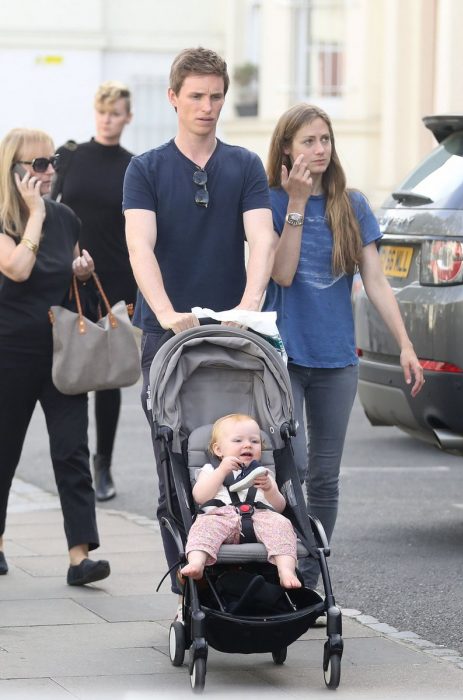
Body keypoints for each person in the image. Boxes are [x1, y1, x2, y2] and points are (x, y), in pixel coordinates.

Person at [122, 47, 276, 604]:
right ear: (174, 98)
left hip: (232, 337)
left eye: (216, 96)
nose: (207, 107)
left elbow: (261, 237)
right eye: (196, 96)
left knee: (244, 456)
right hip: (167, 337)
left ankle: (248, 578)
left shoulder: (244, 166)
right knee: (175, 463)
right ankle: (193, 591)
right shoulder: (146, 168)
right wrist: (165, 313)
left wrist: (248, 302)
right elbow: (140, 245)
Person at [262, 104, 425, 590]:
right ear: (287, 148)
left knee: (326, 477)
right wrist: (295, 203)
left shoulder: (351, 206)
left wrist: (405, 344)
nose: (319, 150)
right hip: (286, 357)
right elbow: (282, 274)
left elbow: (375, 281)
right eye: (308, 141)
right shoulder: (271, 202)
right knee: (297, 463)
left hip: (336, 360)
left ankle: (309, 579)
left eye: (325, 140)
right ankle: (283, 563)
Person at [0, 128, 110, 585]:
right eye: (37, 164)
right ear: (14, 172)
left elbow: (70, 277)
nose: (48, 171)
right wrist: (34, 215)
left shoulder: (67, 218)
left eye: (52, 163)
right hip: (10, 350)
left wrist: (83, 274)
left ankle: (79, 556)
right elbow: (17, 268)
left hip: (62, 348)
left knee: (71, 450)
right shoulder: (10, 219)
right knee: (4, 451)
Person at [51, 81, 136, 502]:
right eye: (102, 111)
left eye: (115, 112)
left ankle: (103, 465)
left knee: (106, 377)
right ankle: (74, 463)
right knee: (70, 372)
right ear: (95, 113)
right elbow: (51, 208)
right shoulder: (70, 157)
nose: (107, 118)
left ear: (127, 117)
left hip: (115, 279)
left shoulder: (134, 165)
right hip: (68, 277)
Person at [180, 414, 301, 589]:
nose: (247, 445)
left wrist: (270, 489)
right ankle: (196, 563)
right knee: (203, 526)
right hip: (221, 516)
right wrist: (221, 471)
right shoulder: (211, 470)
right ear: (219, 450)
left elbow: (279, 507)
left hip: (261, 517)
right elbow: (201, 497)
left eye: (255, 441)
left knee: (282, 525)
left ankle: (286, 570)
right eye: (238, 441)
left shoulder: (263, 472)